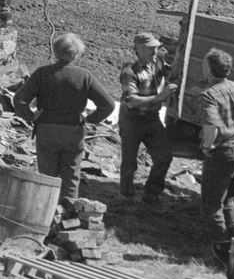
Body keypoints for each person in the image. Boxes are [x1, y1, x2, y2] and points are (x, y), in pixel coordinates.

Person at [14, 33, 115, 204]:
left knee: (47, 178)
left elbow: (19, 99)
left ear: (55, 52)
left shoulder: (42, 73)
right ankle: (68, 218)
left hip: (47, 131)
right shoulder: (84, 76)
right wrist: (89, 119)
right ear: (75, 54)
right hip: (73, 132)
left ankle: (45, 216)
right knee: (71, 177)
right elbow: (109, 104)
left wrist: (31, 116)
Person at [197, 48, 234, 265]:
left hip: (223, 154)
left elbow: (211, 126)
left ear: (210, 69)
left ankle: (222, 253)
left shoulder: (208, 95)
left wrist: (207, 147)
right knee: (229, 200)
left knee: (211, 205)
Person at [118, 31, 177, 207]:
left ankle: (151, 194)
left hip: (152, 117)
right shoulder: (129, 70)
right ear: (139, 49)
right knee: (129, 162)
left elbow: (170, 70)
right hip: (132, 120)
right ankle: (126, 197)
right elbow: (132, 102)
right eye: (151, 49)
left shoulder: (157, 61)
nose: (155, 52)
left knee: (164, 157)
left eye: (156, 48)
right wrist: (161, 97)